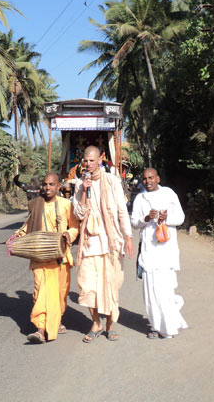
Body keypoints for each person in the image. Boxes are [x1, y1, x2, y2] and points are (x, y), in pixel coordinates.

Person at [74, 146, 134, 342]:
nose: (88, 164)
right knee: (88, 285)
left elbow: (121, 211)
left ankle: (109, 325)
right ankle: (95, 323)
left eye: (92, 160)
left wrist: (128, 237)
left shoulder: (112, 181)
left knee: (110, 285)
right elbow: (79, 213)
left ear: (100, 159)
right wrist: (84, 190)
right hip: (90, 243)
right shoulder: (80, 184)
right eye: (85, 161)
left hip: (110, 242)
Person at [11, 173, 79, 344]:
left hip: (61, 255)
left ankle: (57, 319)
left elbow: (75, 226)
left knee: (60, 292)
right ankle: (40, 329)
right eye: (45, 184)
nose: (47, 188)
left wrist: (67, 234)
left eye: (51, 184)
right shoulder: (35, 204)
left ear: (58, 186)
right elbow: (27, 227)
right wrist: (16, 236)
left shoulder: (66, 205)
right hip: (40, 256)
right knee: (40, 291)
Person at [130, 168, 188, 339]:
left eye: (151, 178)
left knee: (165, 289)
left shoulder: (169, 194)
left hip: (166, 250)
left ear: (157, 178)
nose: (148, 182)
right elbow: (134, 222)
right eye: (145, 179)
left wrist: (165, 218)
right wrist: (146, 219)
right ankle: (155, 325)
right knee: (150, 290)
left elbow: (180, 217)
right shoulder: (140, 198)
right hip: (149, 251)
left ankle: (169, 325)